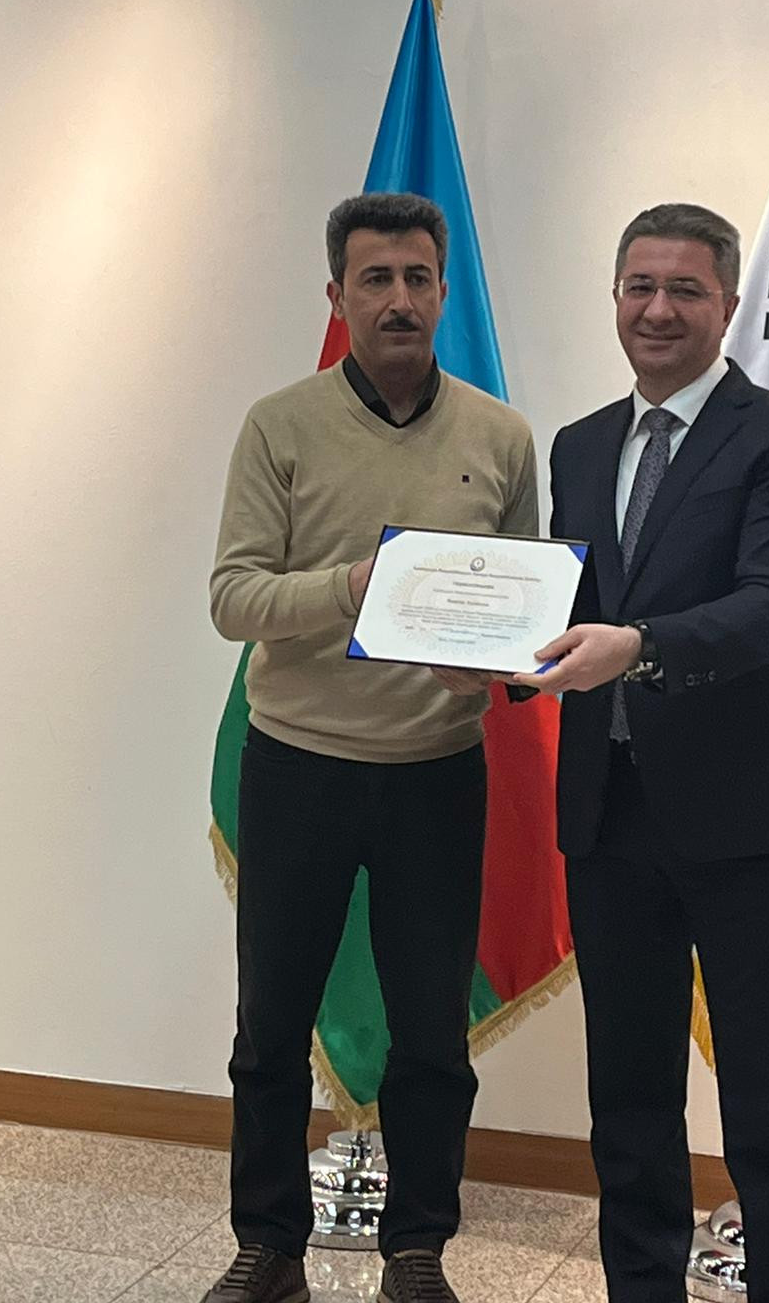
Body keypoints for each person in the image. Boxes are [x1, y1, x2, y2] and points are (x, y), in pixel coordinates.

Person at [206, 192, 538, 1303]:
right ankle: (269, 1247)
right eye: (375, 279)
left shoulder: (502, 437)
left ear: (445, 293)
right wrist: (357, 585)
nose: (399, 299)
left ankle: (417, 1250)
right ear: (337, 295)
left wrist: (492, 666)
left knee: (432, 1034)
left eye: (418, 279)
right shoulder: (278, 426)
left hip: (436, 776)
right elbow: (233, 598)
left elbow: (521, 614)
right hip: (297, 765)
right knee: (270, 1027)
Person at [513, 204, 769, 1303]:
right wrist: (496, 661)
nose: (658, 310)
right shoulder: (580, 444)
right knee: (629, 1100)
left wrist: (640, 646)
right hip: (610, 814)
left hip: (751, 818)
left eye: (685, 290)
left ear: (728, 305)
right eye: (639, 287)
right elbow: (569, 608)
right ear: (614, 297)